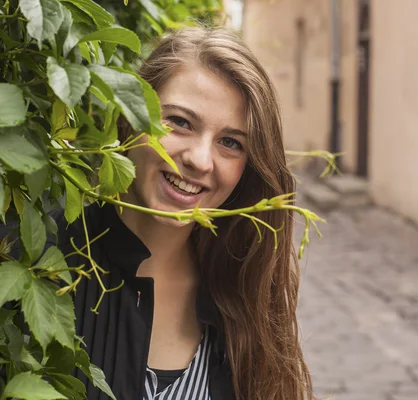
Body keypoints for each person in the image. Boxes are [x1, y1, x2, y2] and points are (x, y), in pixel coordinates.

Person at [5, 26, 314, 400]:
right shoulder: (32, 256)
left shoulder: (242, 291)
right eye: (180, 122)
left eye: (230, 143)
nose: (200, 160)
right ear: (129, 117)